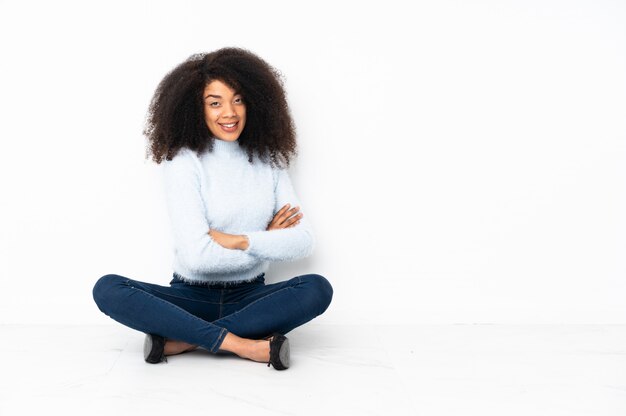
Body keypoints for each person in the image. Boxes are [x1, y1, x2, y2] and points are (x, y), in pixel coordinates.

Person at [92, 47, 333, 370]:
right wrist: (267, 240)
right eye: (215, 103)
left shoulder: (270, 161)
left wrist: (240, 240)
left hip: (251, 297)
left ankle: (186, 340)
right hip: (189, 298)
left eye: (238, 100)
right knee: (108, 288)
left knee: (317, 288)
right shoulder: (183, 163)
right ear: (197, 109)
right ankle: (243, 346)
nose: (229, 113)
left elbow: (303, 242)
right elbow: (197, 259)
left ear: (254, 102)